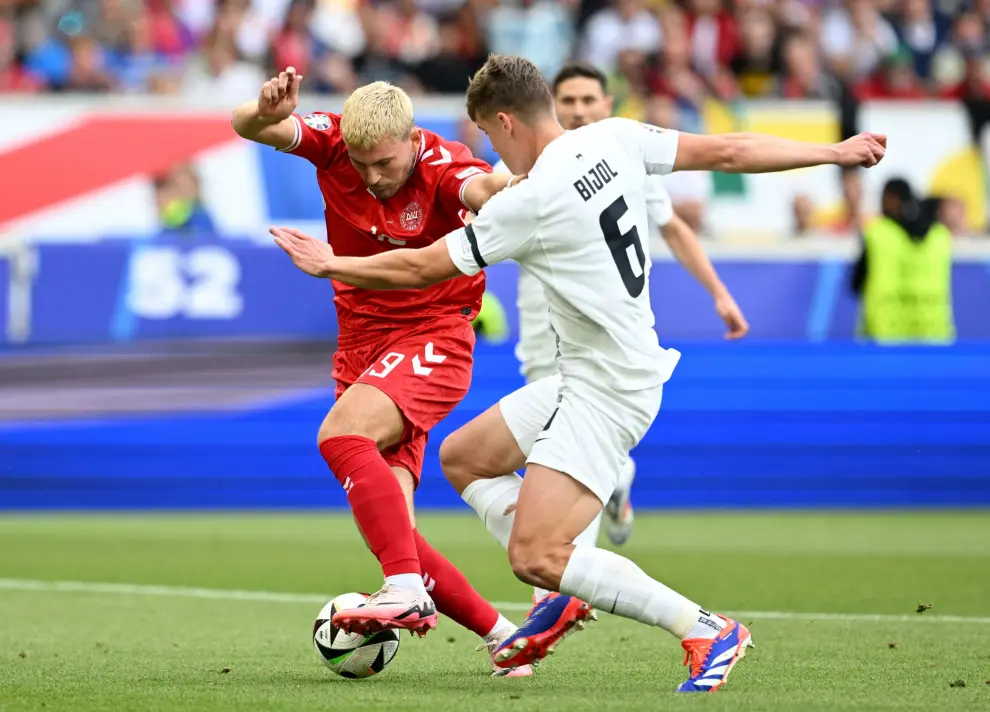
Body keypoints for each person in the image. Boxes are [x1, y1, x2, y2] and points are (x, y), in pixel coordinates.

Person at [268, 55, 886, 692]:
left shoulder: (533, 198)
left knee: (535, 555)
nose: (490, 152)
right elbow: (729, 150)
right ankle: (568, 581)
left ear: (505, 122)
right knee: (461, 458)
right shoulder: (614, 137)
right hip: (591, 373)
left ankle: (703, 627)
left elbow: (420, 268)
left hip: (608, 390)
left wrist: (329, 264)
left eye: (486, 135)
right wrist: (833, 153)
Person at [231, 68, 534, 677]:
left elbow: (482, 191)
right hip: (359, 347)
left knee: (341, 437)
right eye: (362, 165)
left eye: (385, 164)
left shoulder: (445, 168)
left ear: (413, 140)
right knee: (396, 530)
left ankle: (403, 589)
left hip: (433, 336)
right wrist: (263, 111)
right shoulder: (337, 141)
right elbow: (247, 127)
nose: (372, 178)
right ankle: (505, 639)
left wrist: (504, 182)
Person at [485, 62, 748, 556]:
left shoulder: (622, 159)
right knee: (557, 453)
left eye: (589, 101)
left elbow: (672, 228)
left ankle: (563, 587)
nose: (579, 110)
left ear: (607, 106)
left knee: (559, 453)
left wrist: (718, 290)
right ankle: (606, 500)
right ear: (550, 106)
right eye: (569, 101)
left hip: (597, 342)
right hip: (542, 336)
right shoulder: (519, 168)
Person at [851, 177, 954, 343]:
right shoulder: (940, 235)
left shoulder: (878, 233)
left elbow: (856, 283)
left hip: (884, 334)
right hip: (934, 332)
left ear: (891, 199)